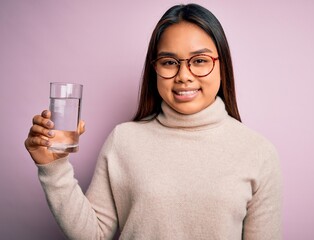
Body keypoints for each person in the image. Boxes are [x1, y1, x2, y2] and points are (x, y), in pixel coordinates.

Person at [25, 3, 282, 240]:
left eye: (200, 61)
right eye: (169, 62)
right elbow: (94, 234)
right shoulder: (124, 139)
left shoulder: (258, 153)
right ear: (154, 68)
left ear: (222, 65)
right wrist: (54, 169)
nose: (184, 76)